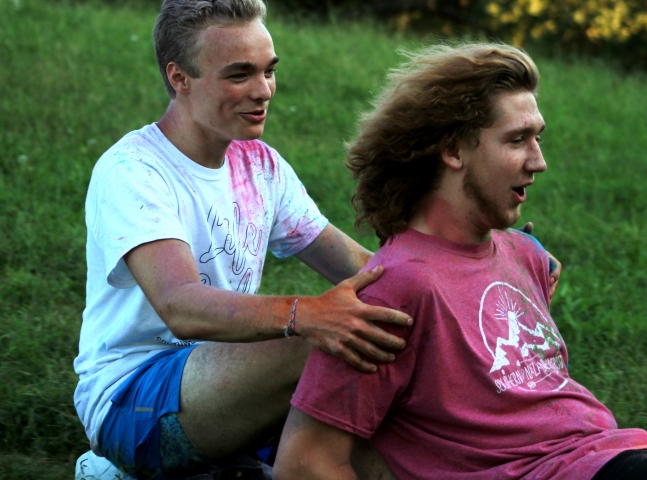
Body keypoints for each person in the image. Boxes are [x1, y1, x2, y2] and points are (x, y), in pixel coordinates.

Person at [272, 44, 647, 480]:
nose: (539, 161)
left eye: (538, 138)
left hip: (624, 450)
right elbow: (304, 462)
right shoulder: (394, 287)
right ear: (452, 149)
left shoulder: (520, 253)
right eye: (517, 140)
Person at [71, 0, 446, 478]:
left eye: (269, 71)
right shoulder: (133, 171)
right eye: (239, 75)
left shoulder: (260, 165)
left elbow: (366, 271)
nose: (263, 90)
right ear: (179, 78)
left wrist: (477, 270)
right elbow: (180, 305)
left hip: (226, 384)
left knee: (394, 440)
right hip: (132, 400)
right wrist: (305, 315)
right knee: (334, 342)